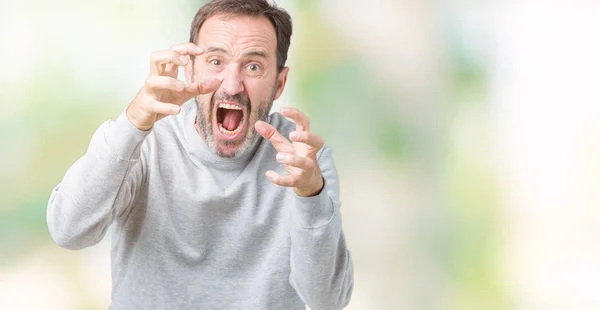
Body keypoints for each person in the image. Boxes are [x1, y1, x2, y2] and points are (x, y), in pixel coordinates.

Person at [46, 0, 354, 309]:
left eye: (253, 66)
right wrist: (132, 122)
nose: (232, 86)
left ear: (279, 83)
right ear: (190, 69)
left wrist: (311, 196)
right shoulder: (146, 143)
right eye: (216, 61)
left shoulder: (304, 163)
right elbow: (68, 231)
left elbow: (328, 300)